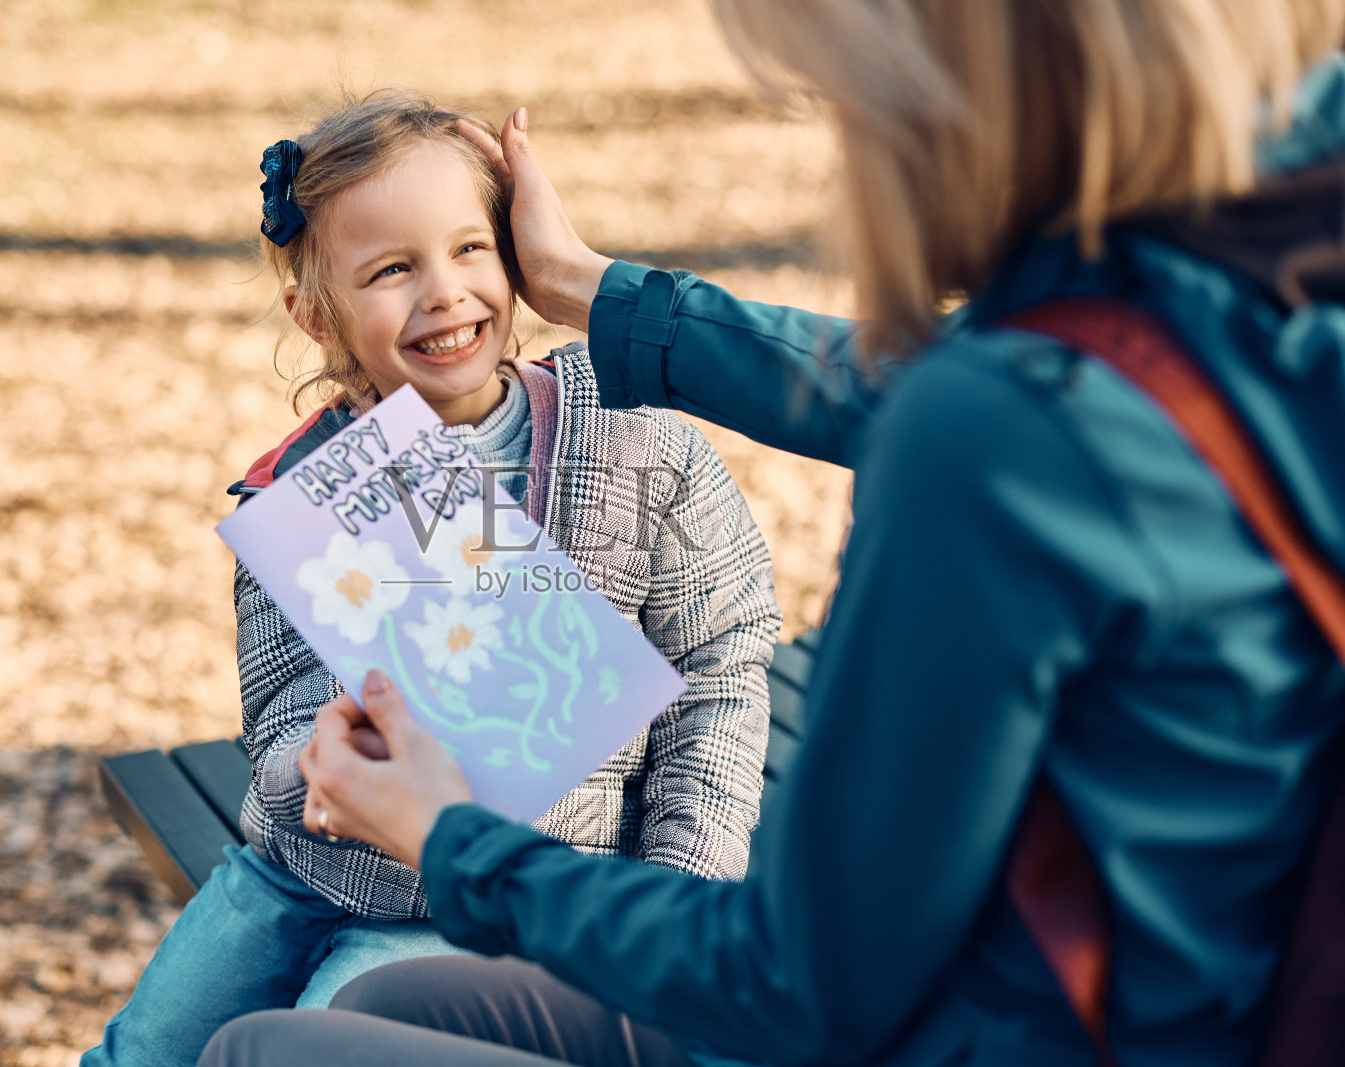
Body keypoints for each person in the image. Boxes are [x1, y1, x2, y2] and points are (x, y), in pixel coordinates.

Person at [195, 3, 1345, 1066]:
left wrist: (454, 841)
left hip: (986, 1021)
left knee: (261, 1053)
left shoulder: (999, 436)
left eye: (836, 95)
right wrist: (592, 287)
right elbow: (1012, 396)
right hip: (1174, 983)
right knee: (394, 1009)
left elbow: (797, 978)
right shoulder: (1271, 269)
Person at [82, 92, 782, 1067]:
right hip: (297, 876)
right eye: (391, 269)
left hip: (505, 893)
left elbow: (719, 668)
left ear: (516, 256)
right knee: (142, 1052)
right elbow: (279, 730)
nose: (443, 293)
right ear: (316, 314)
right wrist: (315, 763)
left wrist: (677, 893)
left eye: (468, 250)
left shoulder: (637, 440)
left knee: (320, 1040)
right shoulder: (305, 489)